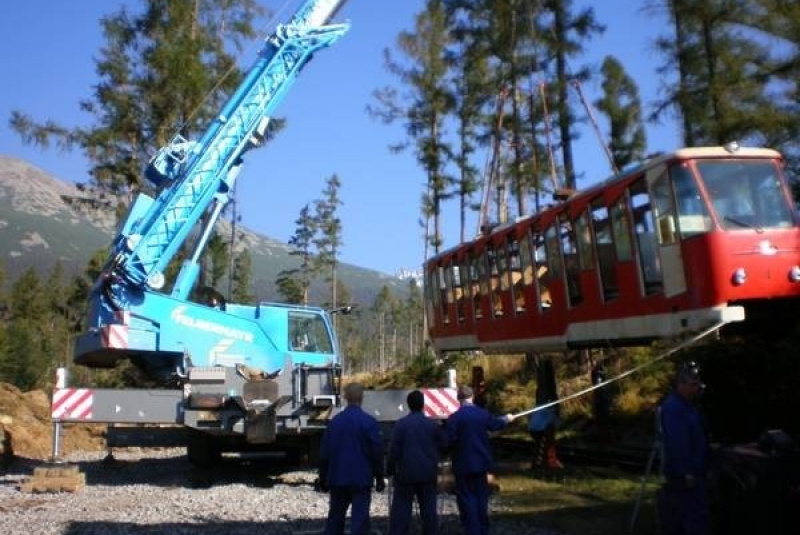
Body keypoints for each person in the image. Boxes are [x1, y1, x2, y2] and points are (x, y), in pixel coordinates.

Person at [446, 385, 515, 535]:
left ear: (459, 399)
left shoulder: (454, 418)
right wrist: (506, 419)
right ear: (472, 397)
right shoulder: (482, 414)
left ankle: (471, 529)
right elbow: (495, 424)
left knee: (466, 498)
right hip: (481, 464)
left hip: (462, 466)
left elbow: (447, 441)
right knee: (481, 497)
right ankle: (482, 528)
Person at [319, 382, 385, 535]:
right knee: (360, 522)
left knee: (335, 519)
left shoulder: (334, 423)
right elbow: (377, 453)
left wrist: (323, 478)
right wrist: (380, 477)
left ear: (346, 398)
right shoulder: (369, 422)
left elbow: (324, 454)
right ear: (361, 398)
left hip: (338, 477)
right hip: (361, 479)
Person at [657, 363, 709, 535]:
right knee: (687, 517)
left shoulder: (689, 405)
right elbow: (677, 443)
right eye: (693, 385)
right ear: (681, 384)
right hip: (684, 475)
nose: (697, 388)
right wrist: (686, 471)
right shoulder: (674, 408)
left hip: (695, 470)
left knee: (696, 516)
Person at [387, 390, 446, 535]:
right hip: (427, 473)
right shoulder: (432, 425)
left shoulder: (401, 425)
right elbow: (444, 444)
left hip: (406, 474)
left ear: (408, 405)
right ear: (423, 405)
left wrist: (389, 469)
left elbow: (393, 449)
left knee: (401, 511)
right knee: (429, 510)